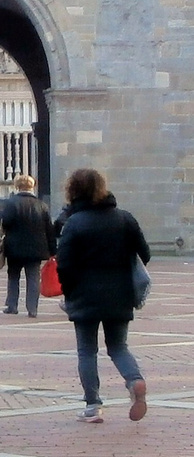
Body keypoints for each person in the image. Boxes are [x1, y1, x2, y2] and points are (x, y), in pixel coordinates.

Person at [55, 167, 151, 424]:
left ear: (73, 191)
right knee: (118, 347)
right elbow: (145, 253)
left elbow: (63, 264)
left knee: (87, 351)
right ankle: (135, 380)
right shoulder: (124, 218)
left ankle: (93, 405)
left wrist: (69, 290)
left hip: (84, 295)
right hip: (120, 294)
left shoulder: (74, 223)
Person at [0, 174, 54, 318]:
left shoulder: (12, 203)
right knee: (33, 277)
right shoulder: (42, 205)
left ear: (17, 186)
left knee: (13, 275)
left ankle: (12, 305)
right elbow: (49, 229)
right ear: (32, 186)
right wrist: (53, 250)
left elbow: (6, 222)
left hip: (14, 247)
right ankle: (32, 308)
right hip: (36, 248)